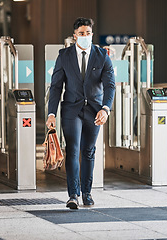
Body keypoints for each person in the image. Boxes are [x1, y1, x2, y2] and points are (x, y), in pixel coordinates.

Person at [46, 17, 115, 209]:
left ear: (92, 34)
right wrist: (51, 113)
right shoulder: (64, 56)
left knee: (88, 151)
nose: (85, 37)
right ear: (75, 35)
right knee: (73, 149)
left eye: (88, 33)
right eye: (82, 33)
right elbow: (56, 87)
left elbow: (110, 86)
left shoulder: (102, 56)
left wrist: (105, 108)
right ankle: (73, 195)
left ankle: (87, 192)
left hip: (94, 111)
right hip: (71, 110)